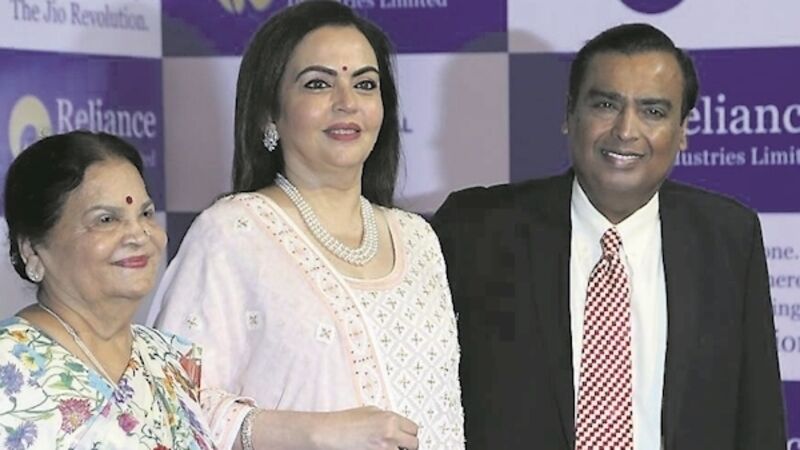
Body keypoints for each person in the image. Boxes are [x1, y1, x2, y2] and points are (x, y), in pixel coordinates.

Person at [432, 23, 786, 450]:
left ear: (682, 132)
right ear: (569, 115)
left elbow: (759, 420)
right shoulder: (476, 230)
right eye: (605, 104)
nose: (626, 130)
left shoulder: (729, 237)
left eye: (653, 111)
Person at [147, 2, 464, 449]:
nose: (347, 103)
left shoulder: (417, 238)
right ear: (269, 113)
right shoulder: (232, 233)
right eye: (318, 83)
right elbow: (167, 406)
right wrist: (313, 432)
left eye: (365, 84)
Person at [0, 131, 215, 449]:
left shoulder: (166, 358)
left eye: (145, 214)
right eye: (106, 219)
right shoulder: (9, 366)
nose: (138, 235)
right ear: (32, 250)